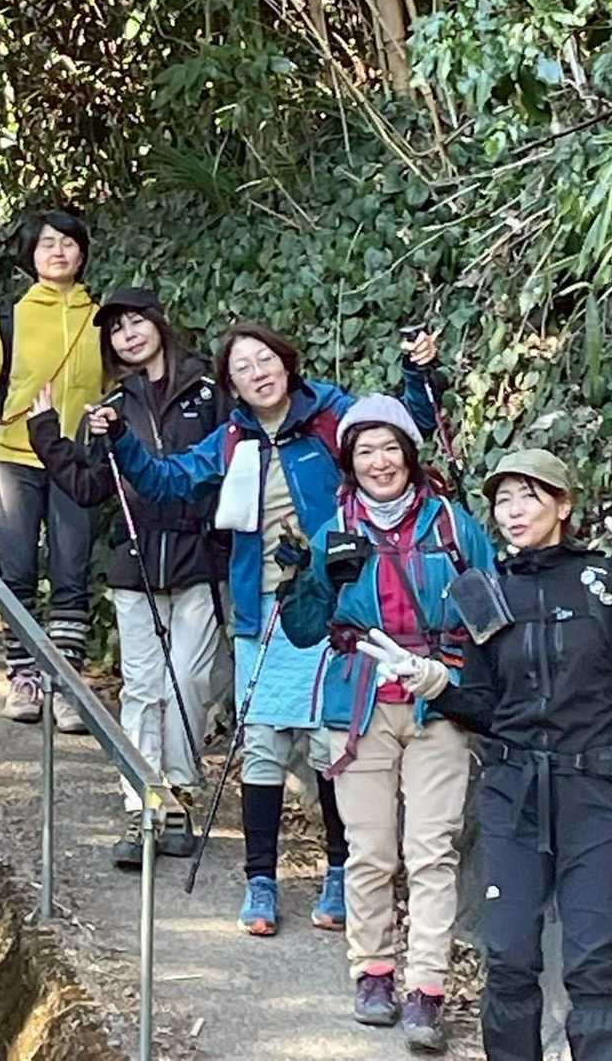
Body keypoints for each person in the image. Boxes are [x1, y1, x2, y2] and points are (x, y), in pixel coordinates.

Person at [360, 449, 612, 1061]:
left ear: (563, 505)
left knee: (590, 962)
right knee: (509, 958)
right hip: (514, 792)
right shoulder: (485, 592)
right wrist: (435, 685)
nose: (514, 510)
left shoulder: (607, 580)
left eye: (529, 495)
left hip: (598, 790)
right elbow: (486, 708)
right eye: (503, 499)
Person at [88, 320, 439, 936]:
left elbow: (400, 435)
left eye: (265, 359)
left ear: (286, 361)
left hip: (334, 608)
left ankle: (339, 872)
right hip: (261, 608)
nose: (258, 373)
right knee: (262, 747)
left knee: (332, 746)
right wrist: (120, 437)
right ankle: (260, 881)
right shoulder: (232, 439)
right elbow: (168, 481)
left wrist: (417, 373)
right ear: (231, 385)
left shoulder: (331, 416)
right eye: (242, 368)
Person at [279, 394, 493, 1054]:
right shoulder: (333, 531)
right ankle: (372, 973)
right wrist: (307, 576)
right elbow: (303, 629)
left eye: (389, 447)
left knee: (432, 848)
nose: (379, 462)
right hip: (360, 699)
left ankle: (427, 987)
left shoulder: (452, 526)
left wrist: (466, 681)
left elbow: (492, 616)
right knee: (370, 849)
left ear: (409, 453)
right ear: (349, 462)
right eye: (364, 451)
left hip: (437, 697)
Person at [26, 286, 231, 867]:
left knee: (189, 681)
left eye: (137, 322)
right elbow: (91, 487)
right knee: (142, 687)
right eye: (117, 330)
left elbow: (231, 467)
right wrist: (47, 436)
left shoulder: (211, 391)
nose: (128, 335)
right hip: (134, 561)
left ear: (160, 323)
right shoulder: (112, 406)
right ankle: (144, 804)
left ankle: (179, 792)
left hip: (199, 557)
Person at [0, 210, 104, 732]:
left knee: (71, 573)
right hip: (15, 456)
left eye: (67, 243)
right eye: (46, 244)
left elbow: (116, 388)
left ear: (82, 253)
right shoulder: (10, 318)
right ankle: (23, 676)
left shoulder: (101, 319)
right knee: (17, 572)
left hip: (76, 460)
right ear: (31, 256)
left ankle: (67, 683)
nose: (58, 251)